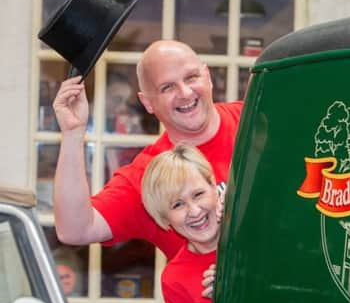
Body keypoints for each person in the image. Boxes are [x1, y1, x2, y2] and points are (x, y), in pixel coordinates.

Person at [51, 40, 243, 260]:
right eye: (167, 87)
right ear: (148, 103)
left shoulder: (257, 119)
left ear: (207, 77)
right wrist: (73, 134)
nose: (185, 92)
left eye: (191, 77)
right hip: (219, 294)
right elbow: (74, 230)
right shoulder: (148, 178)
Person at [141, 144, 221, 303]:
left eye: (198, 194)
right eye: (177, 204)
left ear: (215, 187)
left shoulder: (253, 234)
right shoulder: (175, 279)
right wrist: (226, 301)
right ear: (164, 219)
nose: (195, 211)